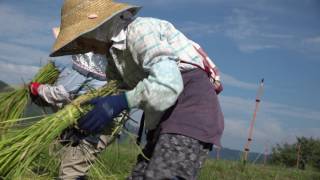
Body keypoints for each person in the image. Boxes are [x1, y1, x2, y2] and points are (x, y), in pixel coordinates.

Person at [50, 0, 224, 179]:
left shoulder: (140, 31)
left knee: (162, 175)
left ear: (98, 26)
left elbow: (169, 83)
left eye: (81, 38)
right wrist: (85, 127)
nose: (82, 46)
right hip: (161, 117)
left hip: (190, 111)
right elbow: (112, 104)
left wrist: (122, 101)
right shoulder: (114, 60)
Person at [29, 28, 111, 180]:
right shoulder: (100, 59)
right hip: (94, 123)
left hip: (92, 127)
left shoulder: (88, 59)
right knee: (76, 167)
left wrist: (37, 88)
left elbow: (62, 93)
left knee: (70, 173)